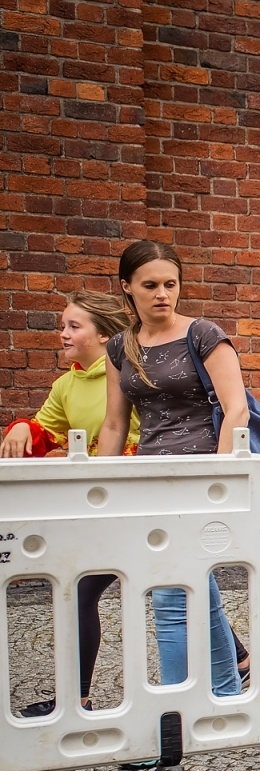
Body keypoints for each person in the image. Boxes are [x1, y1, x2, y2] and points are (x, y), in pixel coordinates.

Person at [98, 241, 245, 705]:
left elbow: (235, 409)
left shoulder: (202, 334)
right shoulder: (120, 346)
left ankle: (173, 709)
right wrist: (99, 488)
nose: (163, 294)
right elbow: (115, 423)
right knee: (194, 581)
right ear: (127, 288)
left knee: (168, 591)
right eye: (150, 285)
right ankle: (225, 685)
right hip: (149, 477)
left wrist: (217, 481)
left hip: (200, 474)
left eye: (170, 284)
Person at [4, 292, 139, 717]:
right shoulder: (65, 384)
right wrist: (22, 428)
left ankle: (75, 699)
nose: (62, 334)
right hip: (99, 506)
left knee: (163, 585)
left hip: (136, 503)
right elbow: (44, 430)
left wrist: (93, 459)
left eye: (73, 326)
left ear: (103, 334)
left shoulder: (128, 375)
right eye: (62, 326)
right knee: (87, 590)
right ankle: (76, 698)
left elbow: (148, 438)